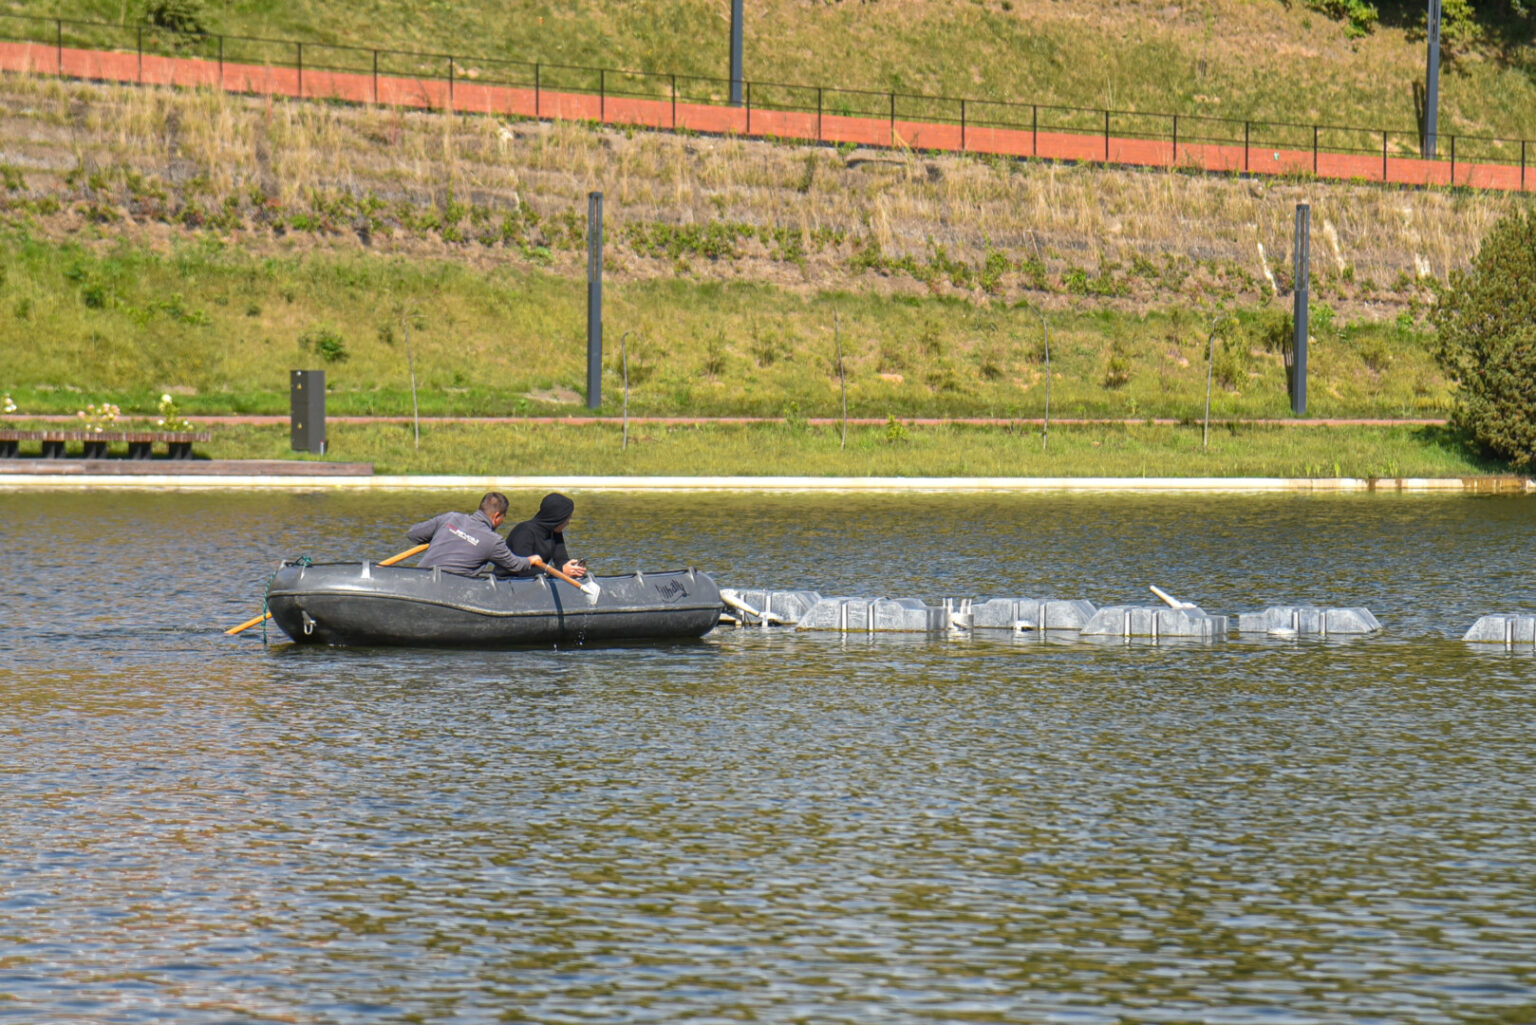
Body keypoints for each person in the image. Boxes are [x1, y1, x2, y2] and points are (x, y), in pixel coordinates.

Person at [407, 492, 544, 578]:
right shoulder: (493, 541)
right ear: (497, 516)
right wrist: (530, 560)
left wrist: (444, 532)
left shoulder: (449, 518)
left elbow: (413, 534)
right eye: (504, 517)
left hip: (420, 578)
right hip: (447, 589)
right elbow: (515, 565)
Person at [504, 492, 585, 579]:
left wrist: (572, 569)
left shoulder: (555, 531)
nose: (568, 522)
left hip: (538, 580)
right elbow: (522, 570)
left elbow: (561, 560)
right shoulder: (524, 532)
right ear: (557, 519)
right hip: (509, 580)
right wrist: (560, 571)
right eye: (567, 518)